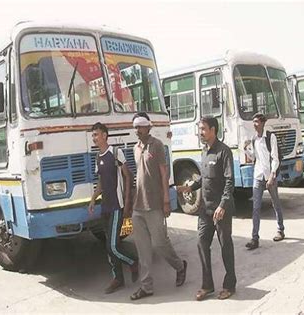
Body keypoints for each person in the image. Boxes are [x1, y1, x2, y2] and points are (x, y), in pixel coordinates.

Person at [177, 116, 237, 301]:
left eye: (203, 129)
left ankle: (229, 285)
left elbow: (229, 181)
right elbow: (204, 179)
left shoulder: (223, 152)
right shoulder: (204, 151)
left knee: (225, 246)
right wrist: (191, 188)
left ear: (213, 130)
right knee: (202, 243)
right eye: (199, 129)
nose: (200, 132)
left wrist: (223, 205)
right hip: (205, 209)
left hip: (221, 210)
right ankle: (207, 285)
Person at [129, 112, 187, 301]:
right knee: (143, 249)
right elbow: (138, 175)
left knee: (160, 244)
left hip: (154, 204)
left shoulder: (158, 145)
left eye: (140, 126)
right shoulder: (136, 148)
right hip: (138, 206)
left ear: (149, 127)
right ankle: (146, 287)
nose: (137, 130)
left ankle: (179, 266)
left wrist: (165, 201)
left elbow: (164, 174)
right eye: (135, 127)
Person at [88, 122, 139, 294]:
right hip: (105, 207)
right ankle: (118, 278)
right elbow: (101, 182)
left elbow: (128, 176)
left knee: (113, 247)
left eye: (96, 134)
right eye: (93, 135)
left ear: (104, 135)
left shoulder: (116, 153)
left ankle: (133, 262)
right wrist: (93, 199)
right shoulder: (98, 157)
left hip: (117, 206)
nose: (94, 138)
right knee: (109, 246)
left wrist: (127, 203)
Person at [244, 113, 285, 250]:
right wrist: (246, 150)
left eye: (256, 122)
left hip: (269, 176)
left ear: (262, 123)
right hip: (258, 175)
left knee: (275, 203)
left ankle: (280, 229)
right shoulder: (254, 138)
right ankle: (254, 238)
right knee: (256, 208)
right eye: (253, 122)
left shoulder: (270, 137)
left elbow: (275, 157)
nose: (254, 124)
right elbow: (255, 157)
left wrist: (272, 175)